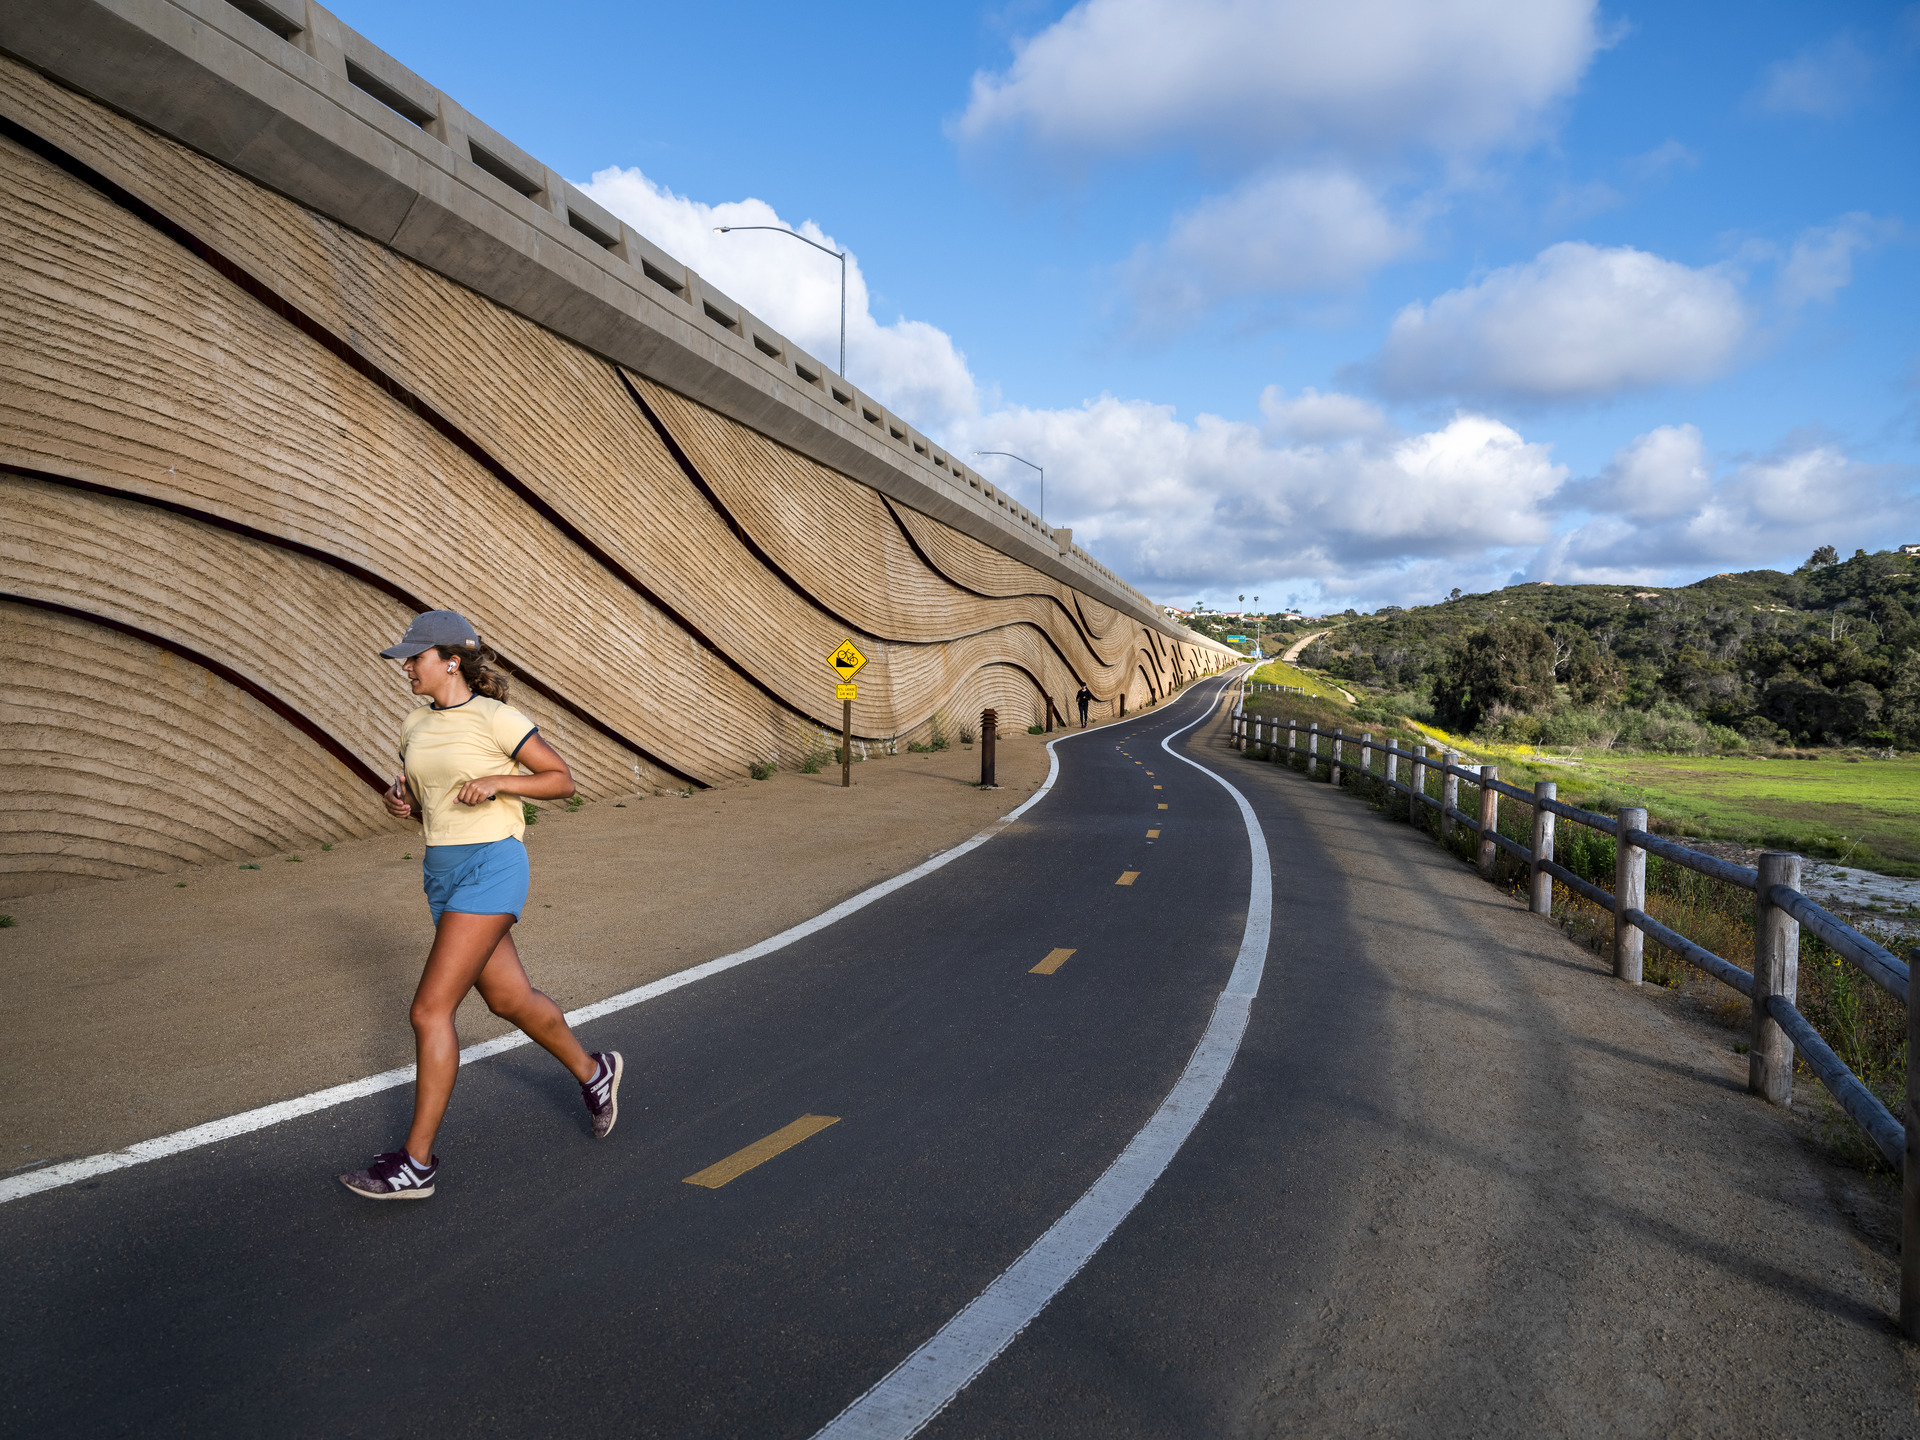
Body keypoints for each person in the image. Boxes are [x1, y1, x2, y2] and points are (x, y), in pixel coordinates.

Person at [339, 610, 621, 1200]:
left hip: (492, 866)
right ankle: (595, 1072)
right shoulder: (414, 725)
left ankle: (416, 1164)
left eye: (414, 658)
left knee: (428, 1011)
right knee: (508, 998)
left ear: (449, 660)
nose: (406, 668)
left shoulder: (498, 718)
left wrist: (500, 780)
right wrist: (405, 807)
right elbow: (431, 805)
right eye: (405, 659)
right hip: (440, 874)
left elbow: (561, 779)